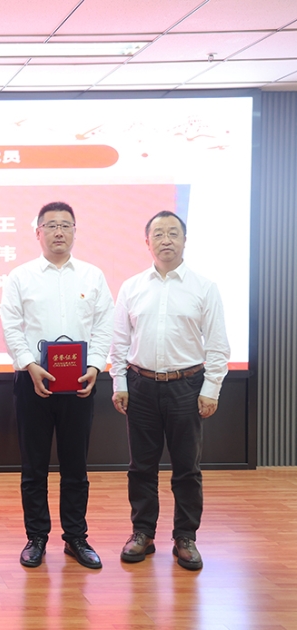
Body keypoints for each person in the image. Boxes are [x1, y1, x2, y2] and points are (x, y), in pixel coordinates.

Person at [110, 210, 230, 571]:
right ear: (147, 242)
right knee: (141, 467)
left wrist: (211, 389)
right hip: (141, 385)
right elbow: (120, 342)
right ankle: (142, 533)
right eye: (159, 233)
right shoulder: (131, 287)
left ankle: (185, 537)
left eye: (173, 233)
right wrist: (120, 383)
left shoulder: (204, 287)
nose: (166, 240)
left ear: (185, 240)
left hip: (187, 386)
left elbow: (218, 345)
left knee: (187, 468)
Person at [1, 201, 114, 570]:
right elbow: (11, 326)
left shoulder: (93, 276)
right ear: (38, 232)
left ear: (75, 232)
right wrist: (29, 364)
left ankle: (76, 537)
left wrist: (96, 365)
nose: (59, 232)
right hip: (32, 382)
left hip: (80, 383)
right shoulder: (20, 276)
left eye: (66, 225)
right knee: (34, 466)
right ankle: (36, 537)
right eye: (51, 225)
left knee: (75, 466)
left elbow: (104, 326)